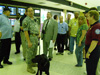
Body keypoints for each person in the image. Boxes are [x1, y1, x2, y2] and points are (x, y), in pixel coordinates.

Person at [22, 7, 39, 74]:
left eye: (32, 10)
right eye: (29, 11)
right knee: (29, 53)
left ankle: (33, 63)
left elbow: (37, 26)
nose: (31, 12)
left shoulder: (35, 19)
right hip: (30, 37)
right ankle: (29, 67)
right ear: (27, 12)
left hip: (36, 37)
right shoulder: (25, 20)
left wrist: (39, 34)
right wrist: (29, 41)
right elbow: (25, 32)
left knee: (34, 52)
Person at [85, 10, 100, 75]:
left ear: (92, 17)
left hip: (93, 51)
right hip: (90, 49)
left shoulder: (97, 26)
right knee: (89, 68)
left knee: (91, 69)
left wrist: (88, 52)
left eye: (88, 16)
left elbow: (95, 41)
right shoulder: (92, 26)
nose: (87, 18)